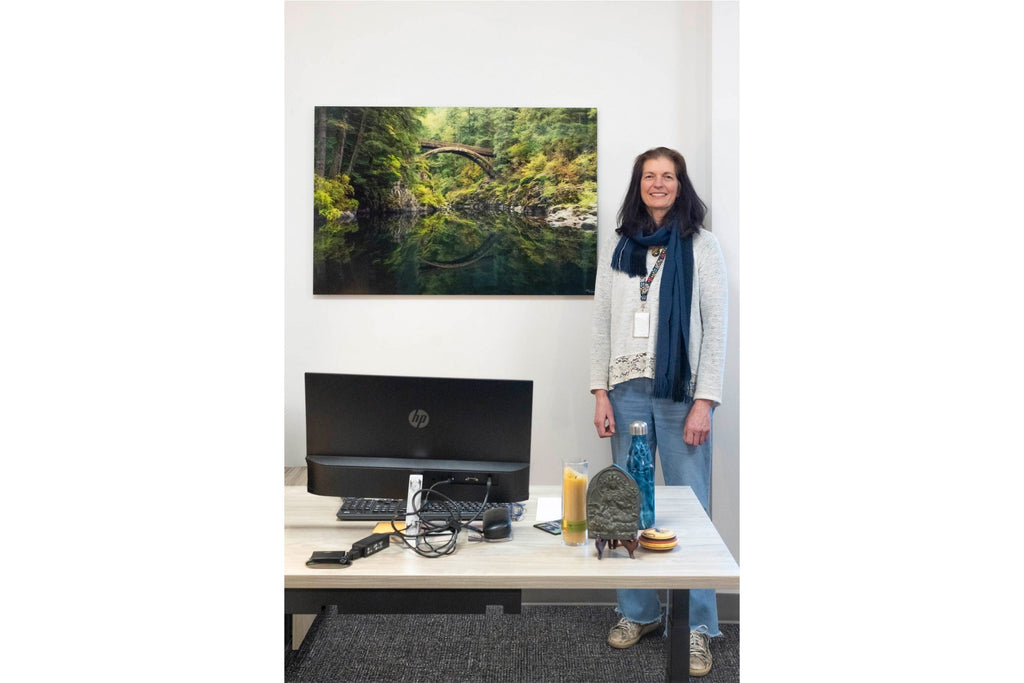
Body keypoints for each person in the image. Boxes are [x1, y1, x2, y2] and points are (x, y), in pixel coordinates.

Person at [589, 146, 727, 677]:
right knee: (628, 502)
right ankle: (637, 612)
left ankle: (696, 628)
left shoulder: (702, 246)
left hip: (680, 394)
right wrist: (599, 391)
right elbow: (602, 321)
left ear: (680, 184)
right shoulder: (619, 245)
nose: (659, 184)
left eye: (668, 176)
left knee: (691, 508)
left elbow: (715, 328)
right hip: (625, 391)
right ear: (638, 185)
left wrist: (705, 401)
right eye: (650, 176)